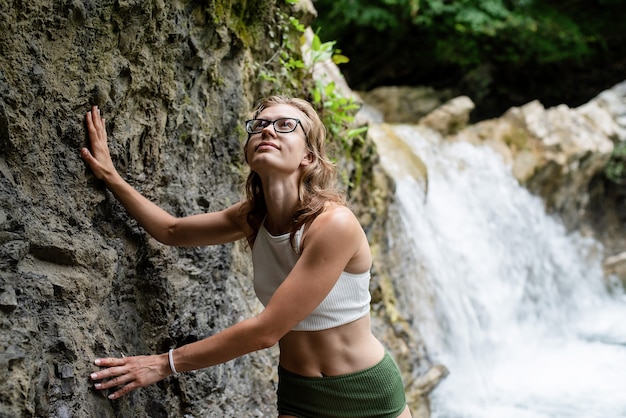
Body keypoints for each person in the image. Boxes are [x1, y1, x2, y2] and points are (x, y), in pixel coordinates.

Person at [81, 96, 412, 418]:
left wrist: (163, 364)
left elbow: (266, 331)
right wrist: (110, 176)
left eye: (285, 125)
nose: (268, 131)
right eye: (260, 125)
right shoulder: (252, 218)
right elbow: (172, 231)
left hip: (366, 394)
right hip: (301, 395)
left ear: (308, 157)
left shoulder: (333, 224)